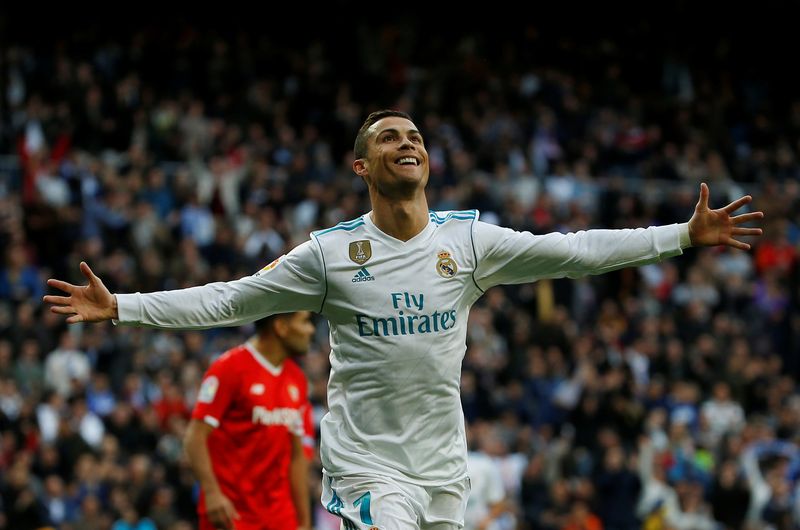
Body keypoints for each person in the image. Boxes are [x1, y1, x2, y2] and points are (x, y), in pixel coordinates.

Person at [45, 109, 763, 529]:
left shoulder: (469, 243)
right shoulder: (330, 255)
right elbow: (232, 298)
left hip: (441, 464)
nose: (406, 142)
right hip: (368, 462)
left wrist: (679, 236)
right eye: (388, 137)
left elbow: (573, 253)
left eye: (414, 135)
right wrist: (124, 309)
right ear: (362, 166)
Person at [183, 312, 315, 530]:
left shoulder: (297, 379)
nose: (310, 330)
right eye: (304, 321)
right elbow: (194, 437)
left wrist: (304, 521)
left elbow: (297, 455)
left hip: (280, 517)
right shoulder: (229, 368)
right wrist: (212, 493)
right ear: (281, 327)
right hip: (232, 515)